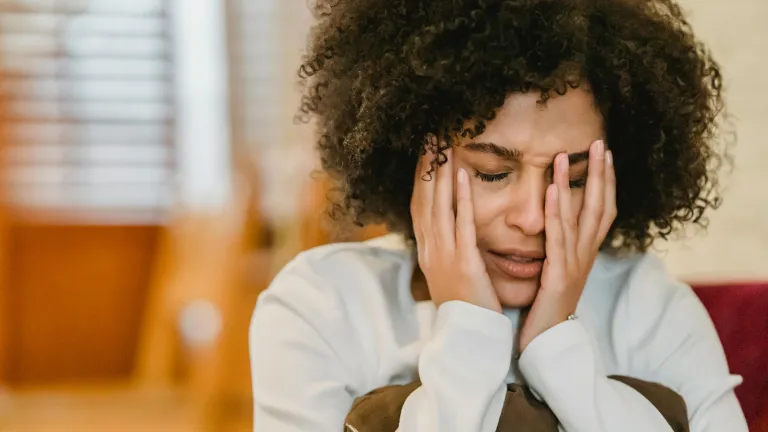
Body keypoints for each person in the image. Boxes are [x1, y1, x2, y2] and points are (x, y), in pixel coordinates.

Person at [249, 0, 749, 430]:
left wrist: (557, 343)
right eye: (492, 172)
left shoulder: (649, 307)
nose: (533, 218)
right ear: (411, 158)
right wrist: (469, 329)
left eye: (572, 179)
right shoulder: (321, 307)